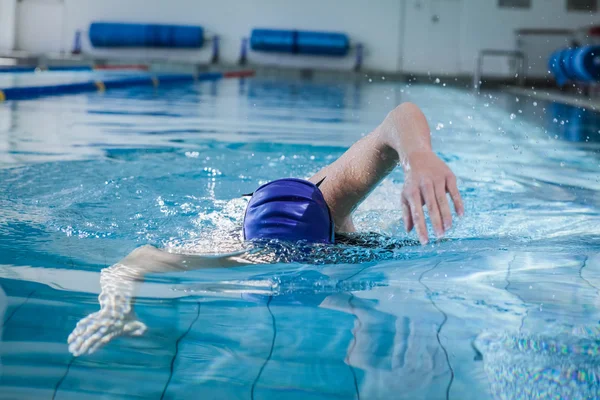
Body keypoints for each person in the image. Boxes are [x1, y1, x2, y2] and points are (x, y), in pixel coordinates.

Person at [67, 102, 464, 356]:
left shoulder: (335, 195)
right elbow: (134, 263)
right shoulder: (230, 249)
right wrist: (115, 310)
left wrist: (419, 157)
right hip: (249, 225)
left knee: (384, 218)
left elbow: (399, 117)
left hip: (325, 204)